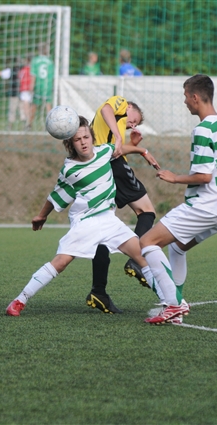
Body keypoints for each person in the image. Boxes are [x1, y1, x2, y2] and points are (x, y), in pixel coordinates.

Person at [6, 116, 156, 317]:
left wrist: (140, 149)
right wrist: (41, 216)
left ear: (92, 138)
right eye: (77, 139)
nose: (83, 142)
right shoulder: (70, 170)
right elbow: (55, 196)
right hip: (85, 222)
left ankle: (172, 302)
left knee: (143, 257)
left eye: (86, 137)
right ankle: (20, 300)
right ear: (70, 143)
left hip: (110, 221)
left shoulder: (104, 151)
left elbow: (119, 149)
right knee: (60, 262)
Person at [140, 74, 217, 325]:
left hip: (205, 206)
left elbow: (203, 176)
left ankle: (173, 304)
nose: (184, 102)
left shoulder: (203, 129)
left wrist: (173, 178)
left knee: (147, 242)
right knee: (177, 247)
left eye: (185, 97)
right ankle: (176, 307)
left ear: (195, 97)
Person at [86, 96, 161, 314]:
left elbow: (114, 148)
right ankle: (137, 260)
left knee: (102, 230)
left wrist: (135, 146)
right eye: (134, 120)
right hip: (114, 166)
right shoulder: (118, 103)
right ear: (128, 108)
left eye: (134, 125)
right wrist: (123, 138)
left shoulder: (110, 128)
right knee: (146, 210)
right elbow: (107, 109)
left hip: (98, 169)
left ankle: (98, 292)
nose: (133, 125)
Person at [0, 59, 23, 130]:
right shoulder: (24, 70)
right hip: (22, 94)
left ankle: (11, 126)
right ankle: (25, 126)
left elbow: (1, 73)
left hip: (16, 94)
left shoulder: (12, 71)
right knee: (21, 111)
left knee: (14, 110)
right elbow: (2, 73)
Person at [30, 43, 54, 124]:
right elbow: (52, 76)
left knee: (34, 105)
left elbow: (33, 75)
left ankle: (29, 124)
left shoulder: (35, 60)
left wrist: (31, 86)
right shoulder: (50, 61)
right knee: (48, 105)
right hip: (48, 85)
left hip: (38, 85)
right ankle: (51, 124)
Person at [18, 57, 34, 130]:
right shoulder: (32, 69)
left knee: (26, 106)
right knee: (28, 106)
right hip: (31, 89)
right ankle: (27, 122)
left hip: (25, 89)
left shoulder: (24, 69)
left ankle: (27, 122)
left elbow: (20, 79)